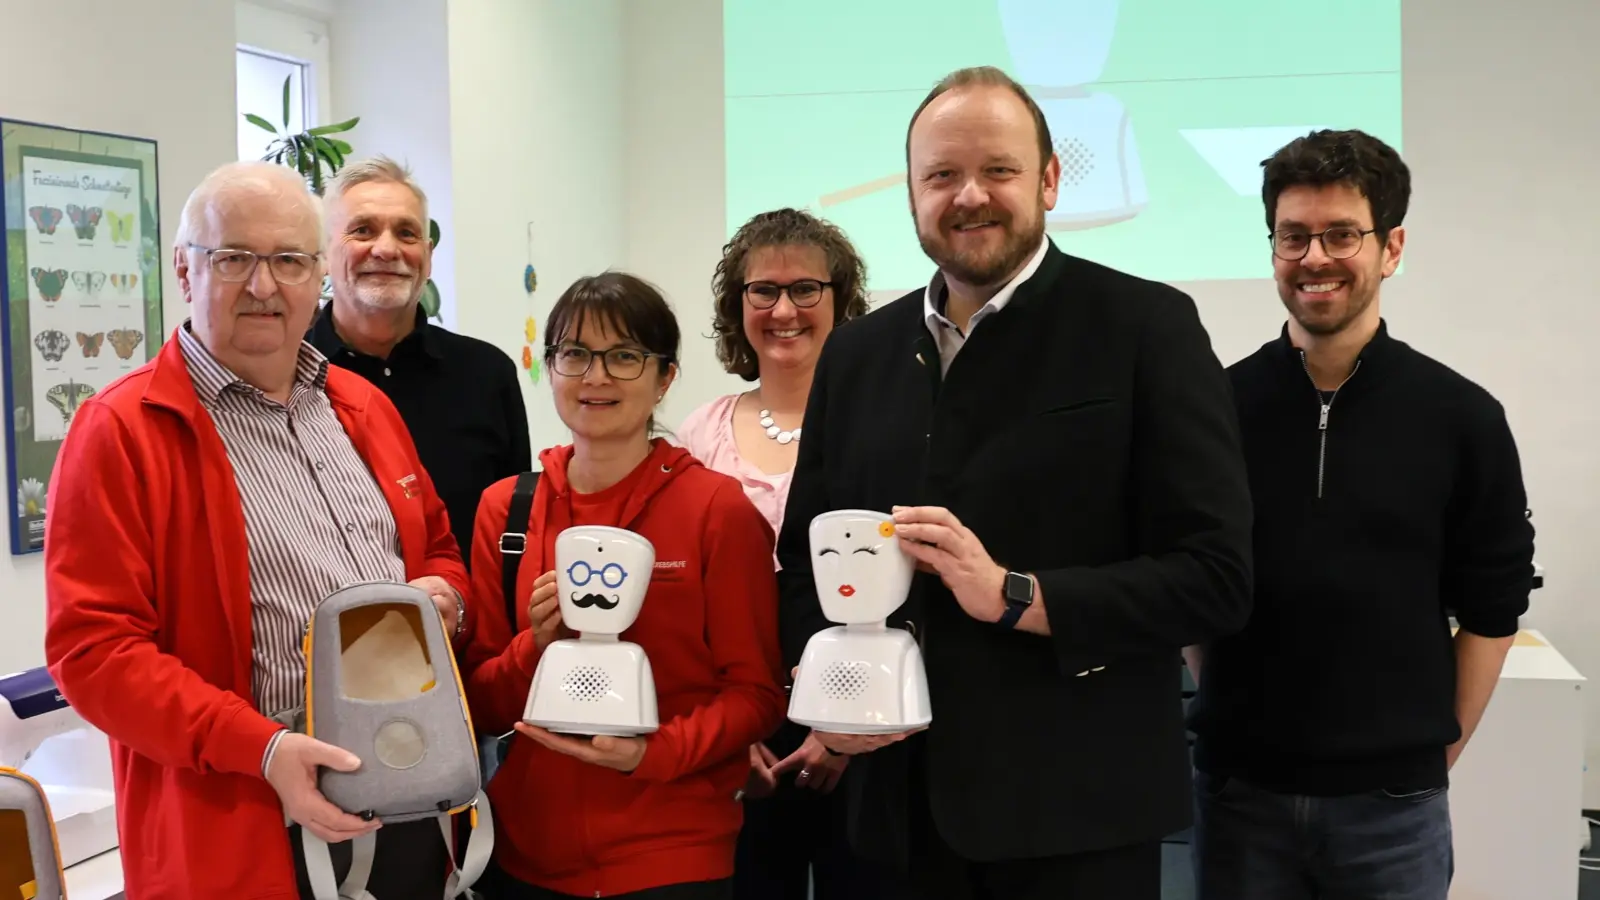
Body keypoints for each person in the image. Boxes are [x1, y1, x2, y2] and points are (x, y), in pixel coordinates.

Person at [775, 65, 1254, 900]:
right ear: (913, 192)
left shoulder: (1147, 329)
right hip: (892, 818)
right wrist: (827, 703)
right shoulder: (857, 355)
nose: (970, 196)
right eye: (941, 175)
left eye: (998, 170)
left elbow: (1215, 580)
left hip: (1076, 819)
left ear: (1051, 180)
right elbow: (802, 563)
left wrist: (1014, 593)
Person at [41, 161, 472, 899]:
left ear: (318, 276)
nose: (265, 286)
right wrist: (263, 749)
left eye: (289, 261)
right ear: (184, 269)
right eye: (234, 258)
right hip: (244, 819)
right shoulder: (121, 431)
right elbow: (94, 652)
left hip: (406, 795)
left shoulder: (363, 408)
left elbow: (436, 548)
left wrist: (447, 598)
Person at [1183, 128, 1536, 900]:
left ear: (1391, 246)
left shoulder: (1461, 417)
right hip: (1241, 795)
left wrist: (1428, 755)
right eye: (1293, 236)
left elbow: (1494, 606)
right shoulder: (1216, 409)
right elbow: (1190, 586)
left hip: (1394, 812)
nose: (1315, 257)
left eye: (1342, 234)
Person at [461, 271, 788, 898]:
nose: (596, 376)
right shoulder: (507, 511)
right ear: (550, 368)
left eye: (625, 357)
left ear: (665, 377)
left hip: (673, 854)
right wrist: (535, 644)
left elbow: (756, 693)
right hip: (527, 853)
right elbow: (479, 702)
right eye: (575, 354)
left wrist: (653, 754)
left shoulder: (716, 510)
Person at [677, 208, 892, 900]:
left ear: (842, 302)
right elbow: (680, 598)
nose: (783, 309)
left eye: (806, 289)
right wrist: (726, 736)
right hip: (733, 733)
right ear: (736, 306)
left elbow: (903, 588)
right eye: (762, 290)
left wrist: (842, 727)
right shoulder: (699, 433)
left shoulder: (883, 430)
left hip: (866, 731)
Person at [309, 155, 531, 564]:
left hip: (469, 625)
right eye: (363, 230)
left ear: (427, 258)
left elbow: (513, 534)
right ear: (323, 255)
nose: (387, 248)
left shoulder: (486, 375)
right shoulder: (286, 377)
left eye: (407, 233)